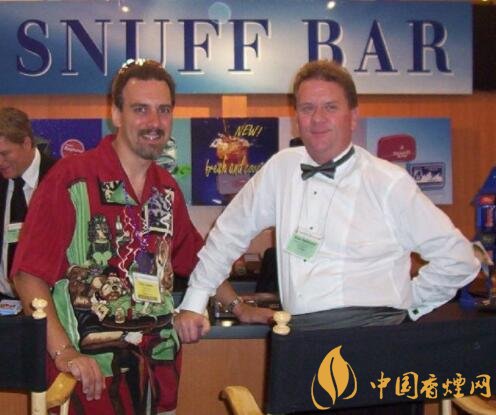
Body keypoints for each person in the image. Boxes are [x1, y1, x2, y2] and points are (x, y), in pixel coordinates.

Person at [174, 59, 479, 340]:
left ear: (353, 116)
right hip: (299, 334)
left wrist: (409, 304)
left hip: (375, 336)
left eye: (330, 107)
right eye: (307, 108)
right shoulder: (281, 168)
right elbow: (228, 234)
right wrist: (193, 303)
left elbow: (459, 259)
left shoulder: (389, 182)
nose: (317, 119)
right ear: (297, 117)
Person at [11, 59, 247, 415]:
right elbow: (27, 275)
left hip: (157, 373)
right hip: (87, 379)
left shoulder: (165, 190)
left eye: (163, 110)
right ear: (116, 115)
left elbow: (198, 259)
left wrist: (238, 306)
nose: (154, 122)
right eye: (140, 109)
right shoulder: (72, 179)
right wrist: (65, 352)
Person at [0, 107, 56, 298]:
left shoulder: (60, 178)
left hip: (48, 302)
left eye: (5, 154)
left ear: (26, 143)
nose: (0, 162)